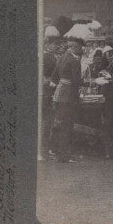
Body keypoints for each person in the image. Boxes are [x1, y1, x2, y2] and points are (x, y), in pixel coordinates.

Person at [50, 24, 89, 163]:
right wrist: (92, 82)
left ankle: (58, 152)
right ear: (77, 47)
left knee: (61, 124)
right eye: (80, 48)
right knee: (67, 125)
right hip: (69, 96)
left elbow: (54, 78)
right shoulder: (74, 60)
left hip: (60, 93)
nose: (81, 50)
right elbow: (77, 81)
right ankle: (64, 155)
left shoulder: (62, 57)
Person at [41, 26, 61, 161]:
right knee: (50, 121)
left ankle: (45, 149)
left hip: (44, 91)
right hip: (50, 92)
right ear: (48, 44)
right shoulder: (50, 58)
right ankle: (46, 149)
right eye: (54, 44)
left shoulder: (44, 56)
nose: (56, 46)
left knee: (46, 122)